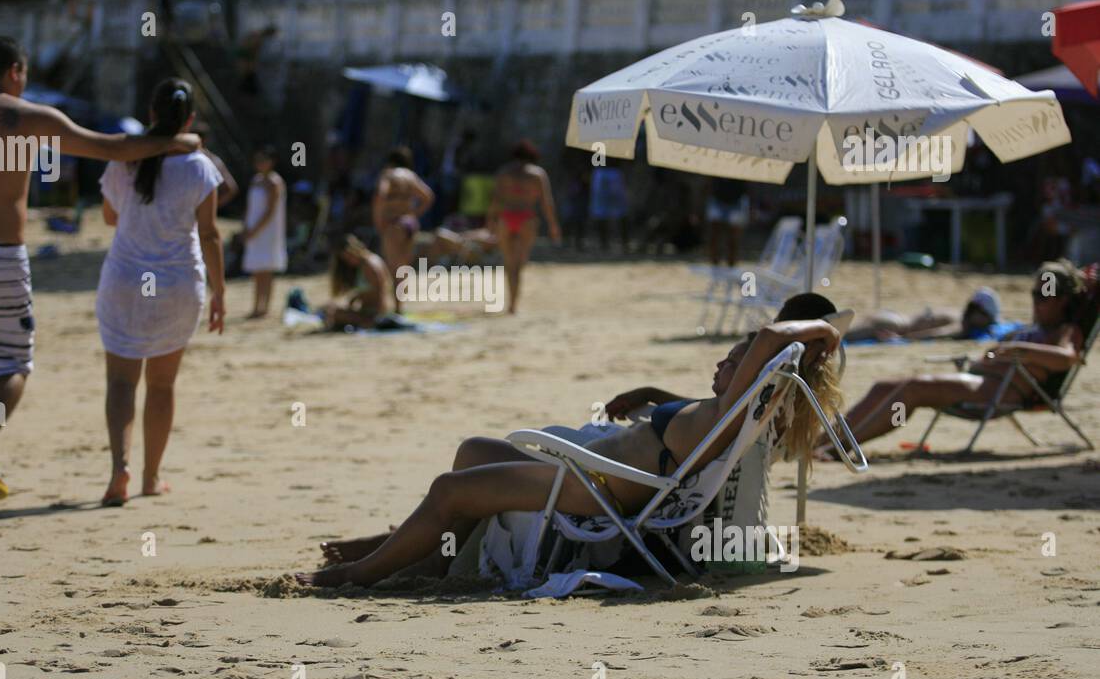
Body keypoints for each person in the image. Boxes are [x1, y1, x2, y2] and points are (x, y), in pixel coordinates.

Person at [299, 303, 843, 588]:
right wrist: (657, 396)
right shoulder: (730, 419)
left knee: (450, 490)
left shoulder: (730, 413)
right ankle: (422, 555)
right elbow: (700, 411)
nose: (721, 365)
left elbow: (772, 338)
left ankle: (354, 576)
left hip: (598, 487)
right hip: (604, 476)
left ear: (755, 379)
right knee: (474, 452)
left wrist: (827, 331)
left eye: (733, 362)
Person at [0, 36, 200, 507]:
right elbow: (112, 148)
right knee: (12, 365)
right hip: (2, 254)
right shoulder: (32, 118)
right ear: (16, 71)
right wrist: (178, 141)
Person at [97, 78, 226, 506]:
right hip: (177, 283)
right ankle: (151, 476)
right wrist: (220, 291)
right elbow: (209, 234)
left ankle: (120, 469)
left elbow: (109, 217)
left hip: (125, 280)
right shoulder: (199, 166)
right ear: (189, 119)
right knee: (163, 384)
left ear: (150, 114)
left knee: (120, 381)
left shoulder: (125, 162)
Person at [824, 261, 1087, 454]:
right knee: (885, 386)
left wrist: (1022, 351)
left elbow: (1067, 358)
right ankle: (820, 441)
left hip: (999, 391)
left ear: (1063, 300)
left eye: (1045, 295)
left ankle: (839, 449)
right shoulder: (1029, 330)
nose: (1037, 302)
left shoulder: (1065, 331)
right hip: (980, 379)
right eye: (1035, 294)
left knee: (913, 390)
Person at [488, 140, 561, 314]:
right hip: (527, 218)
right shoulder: (537, 174)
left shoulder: (504, 173)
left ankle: (511, 303)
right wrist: (553, 225)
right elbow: (546, 202)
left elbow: (495, 200)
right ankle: (514, 304)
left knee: (509, 263)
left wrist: (490, 221)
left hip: (506, 218)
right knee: (519, 264)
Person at [372, 148, 434, 313]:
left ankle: (397, 307)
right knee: (404, 266)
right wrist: (414, 213)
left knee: (394, 266)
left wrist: (378, 220)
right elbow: (427, 196)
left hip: (393, 223)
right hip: (409, 223)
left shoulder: (388, 175)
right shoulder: (410, 176)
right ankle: (401, 305)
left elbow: (380, 195)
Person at [843, 288, 1001, 343]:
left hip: (894, 317)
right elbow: (935, 335)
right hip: (895, 324)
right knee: (841, 336)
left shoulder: (956, 312)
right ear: (979, 313)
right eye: (987, 320)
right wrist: (901, 339)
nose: (986, 324)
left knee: (842, 332)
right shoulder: (961, 325)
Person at [242, 145, 287, 319]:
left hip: (268, 230)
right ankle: (256, 305)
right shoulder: (256, 180)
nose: (260, 164)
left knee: (267, 268)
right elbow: (250, 206)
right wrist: (246, 226)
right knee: (257, 268)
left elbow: (270, 210)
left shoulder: (275, 182)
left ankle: (265, 307)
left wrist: (256, 230)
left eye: (263, 160)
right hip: (253, 226)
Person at [706, 177, 749, 267]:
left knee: (733, 237)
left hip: (737, 200)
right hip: (718, 198)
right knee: (714, 235)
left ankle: (731, 264)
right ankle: (714, 264)